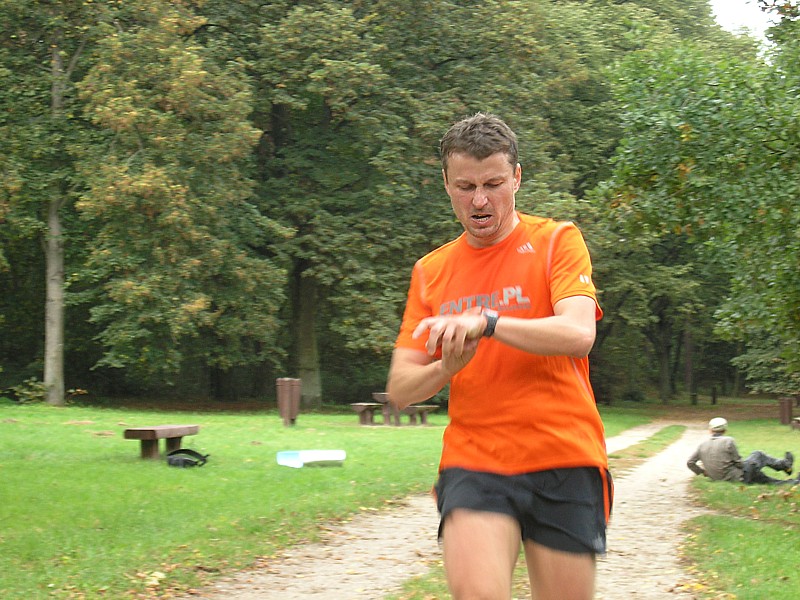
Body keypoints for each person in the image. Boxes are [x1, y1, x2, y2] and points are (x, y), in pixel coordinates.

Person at [386, 113, 610, 600]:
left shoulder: (556, 241)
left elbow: (578, 333)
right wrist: (446, 366)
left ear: (517, 178)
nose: (480, 200)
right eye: (465, 186)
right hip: (475, 460)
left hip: (563, 453)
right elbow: (400, 389)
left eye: (493, 184)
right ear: (446, 184)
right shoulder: (431, 271)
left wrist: (487, 322)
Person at [687, 417, 797, 485]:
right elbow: (738, 463)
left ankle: (794, 482)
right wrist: (747, 464)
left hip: (720, 479)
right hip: (738, 477)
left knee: (765, 480)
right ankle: (785, 465)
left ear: (710, 430)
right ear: (725, 429)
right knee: (758, 455)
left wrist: (703, 472)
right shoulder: (728, 441)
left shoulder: (702, 445)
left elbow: (690, 463)